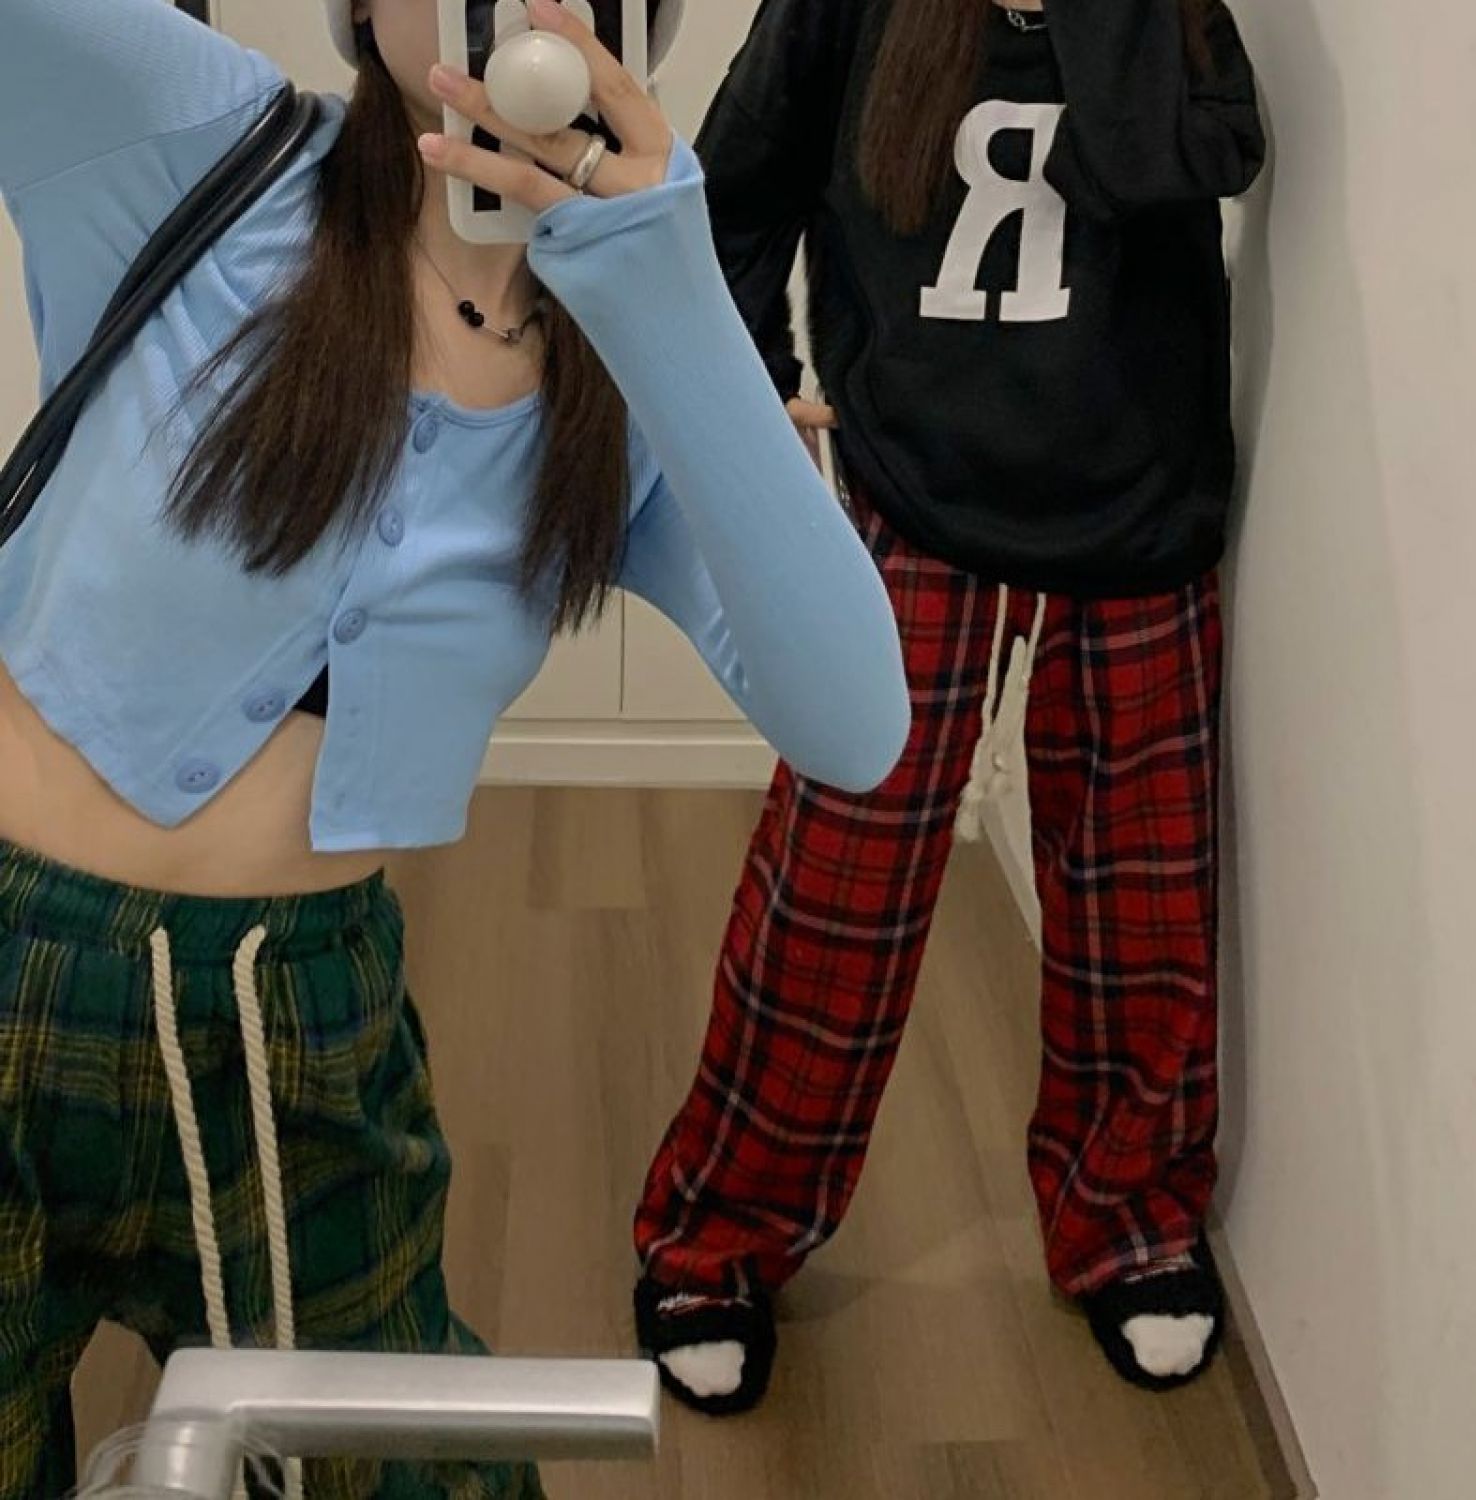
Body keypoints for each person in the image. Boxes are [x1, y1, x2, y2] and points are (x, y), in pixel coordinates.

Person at [0, 0, 911, 1494]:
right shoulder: (196, 139)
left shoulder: (629, 370)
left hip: (304, 1017)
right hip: (9, 934)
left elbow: (856, 726)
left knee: (387, 1468)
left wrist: (674, 289)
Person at [634, 0, 1266, 1413]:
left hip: (1137, 504)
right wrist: (752, 403)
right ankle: (717, 1237)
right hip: (913, 492)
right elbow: (734, 194)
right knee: (835, 892)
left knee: (1143, 900)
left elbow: (1188, 161)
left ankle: (1131, 1220)